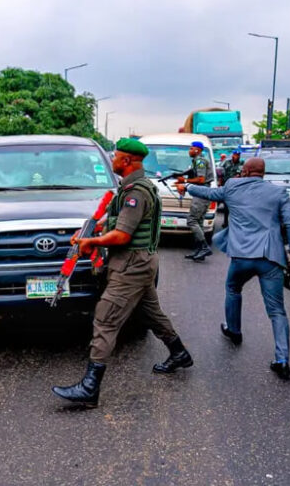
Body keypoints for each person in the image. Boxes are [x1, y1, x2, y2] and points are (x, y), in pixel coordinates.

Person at [51, 138, 193, 408]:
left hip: (130, 265)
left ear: (126, 161)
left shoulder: (135, 193)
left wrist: (91, 243)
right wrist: (89, 231)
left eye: (116, 156)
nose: (113, 160)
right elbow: (114, 220)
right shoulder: (133, 187)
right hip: (140, 264)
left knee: (106, 319)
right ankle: (179, 353)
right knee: (150, 312)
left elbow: (122, 235)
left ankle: (89, 389)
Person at [179, 158, 290, 380]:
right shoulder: (278, 192)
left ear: (245, 171)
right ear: (263, 173)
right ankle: (282, 361)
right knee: (276, 311)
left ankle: (234, 331)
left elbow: (208, 193)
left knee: (233, 288)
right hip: (269, 256)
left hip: (241, 256)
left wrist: (186, 186)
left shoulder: (233, 186)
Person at [178, 141, 214, 261]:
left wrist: (185, 181)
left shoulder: (200, 161)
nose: (190, 150)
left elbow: (201, 179)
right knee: (198, 222)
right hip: (203, 192)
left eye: (191, 148)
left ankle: (204, 247)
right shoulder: (197, 161)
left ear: (197, 150)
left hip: (201, 193)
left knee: (192, 220)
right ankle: (199, 251)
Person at [220, 150, 243, 227]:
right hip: (227, 186)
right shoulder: (226, 162)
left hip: (237, 187)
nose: (237, 156)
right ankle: (225, 222)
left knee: (236, 206)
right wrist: (220, 182)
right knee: (226, 206)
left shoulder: (242, 163)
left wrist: (240, 176)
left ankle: (235, 223)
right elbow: (220, 171)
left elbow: (244, 173)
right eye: (235, 155)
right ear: (233, 155)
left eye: (238, 155)